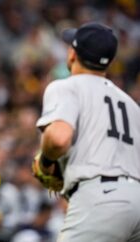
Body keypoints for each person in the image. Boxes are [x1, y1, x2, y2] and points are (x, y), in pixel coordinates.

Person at [35, 22, 140, 242]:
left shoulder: (66, 86)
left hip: (102, 198)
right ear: (109, 63)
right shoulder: (131, 105)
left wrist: (46, 161)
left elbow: (58, 139)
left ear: (72, 54)